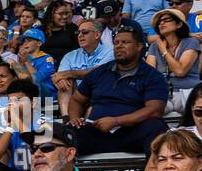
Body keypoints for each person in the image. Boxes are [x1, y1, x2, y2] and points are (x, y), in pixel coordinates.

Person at [68, 23, 169, 155]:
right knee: (59, 132)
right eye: (116, 43)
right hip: (96, 132)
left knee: (157, 128)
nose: (119, 46)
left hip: (132, 133)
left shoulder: (152, 76)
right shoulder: (100, 72)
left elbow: (154, 110)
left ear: (139, 46)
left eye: (125, 42)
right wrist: (74, 118)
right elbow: (76, 100)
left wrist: (116, 121)